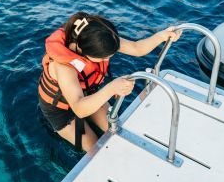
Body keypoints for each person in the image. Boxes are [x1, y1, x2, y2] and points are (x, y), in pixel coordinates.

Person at [38, 12, 181, 152]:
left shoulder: (103, 38)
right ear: (82, 50)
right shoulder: (64, 67)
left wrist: (162, 36)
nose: (106, 61)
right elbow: (79, 109)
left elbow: (136, 48)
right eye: (102, 58)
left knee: (116, 129)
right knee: (94, 148)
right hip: (62, 111)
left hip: (88, 93)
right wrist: (111, 88)